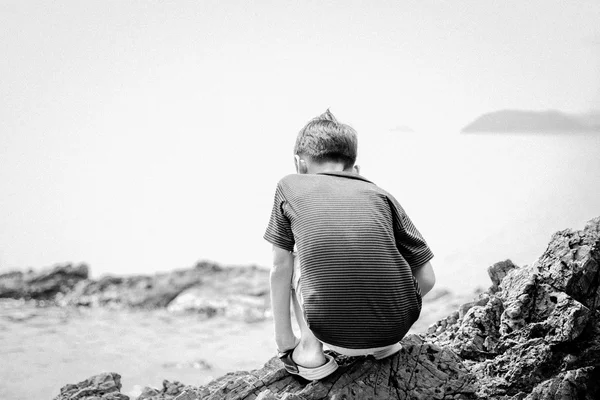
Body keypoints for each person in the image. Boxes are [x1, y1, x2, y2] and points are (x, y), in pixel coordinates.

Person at [263, 109, 436, 381]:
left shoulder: (289, 186)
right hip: (395, 331)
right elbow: (427, 276)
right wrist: (391, 310)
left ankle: (309, 350)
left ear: (299, 163)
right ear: (354, 168)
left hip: (331, 332)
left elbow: (279, 268)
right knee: (377, 249)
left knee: (294, 257)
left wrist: (284, 344)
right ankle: (382, 345)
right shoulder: (381, 194)